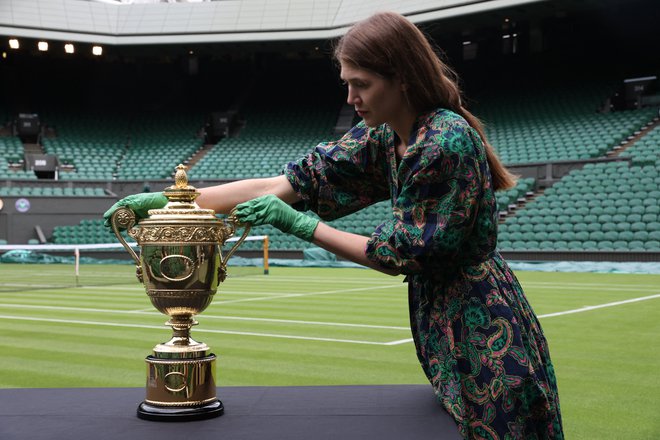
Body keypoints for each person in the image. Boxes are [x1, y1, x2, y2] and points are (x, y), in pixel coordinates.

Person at [104, 11, 563, 439]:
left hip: (483, 329)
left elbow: (402, 255)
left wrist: (301, 226)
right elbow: (289, 182)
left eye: (361, 84)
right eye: (347, 83)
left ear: (401, 78)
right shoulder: (386, 136)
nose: (350, 98)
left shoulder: (444, 141)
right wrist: (177, 201)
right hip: (441, 322)